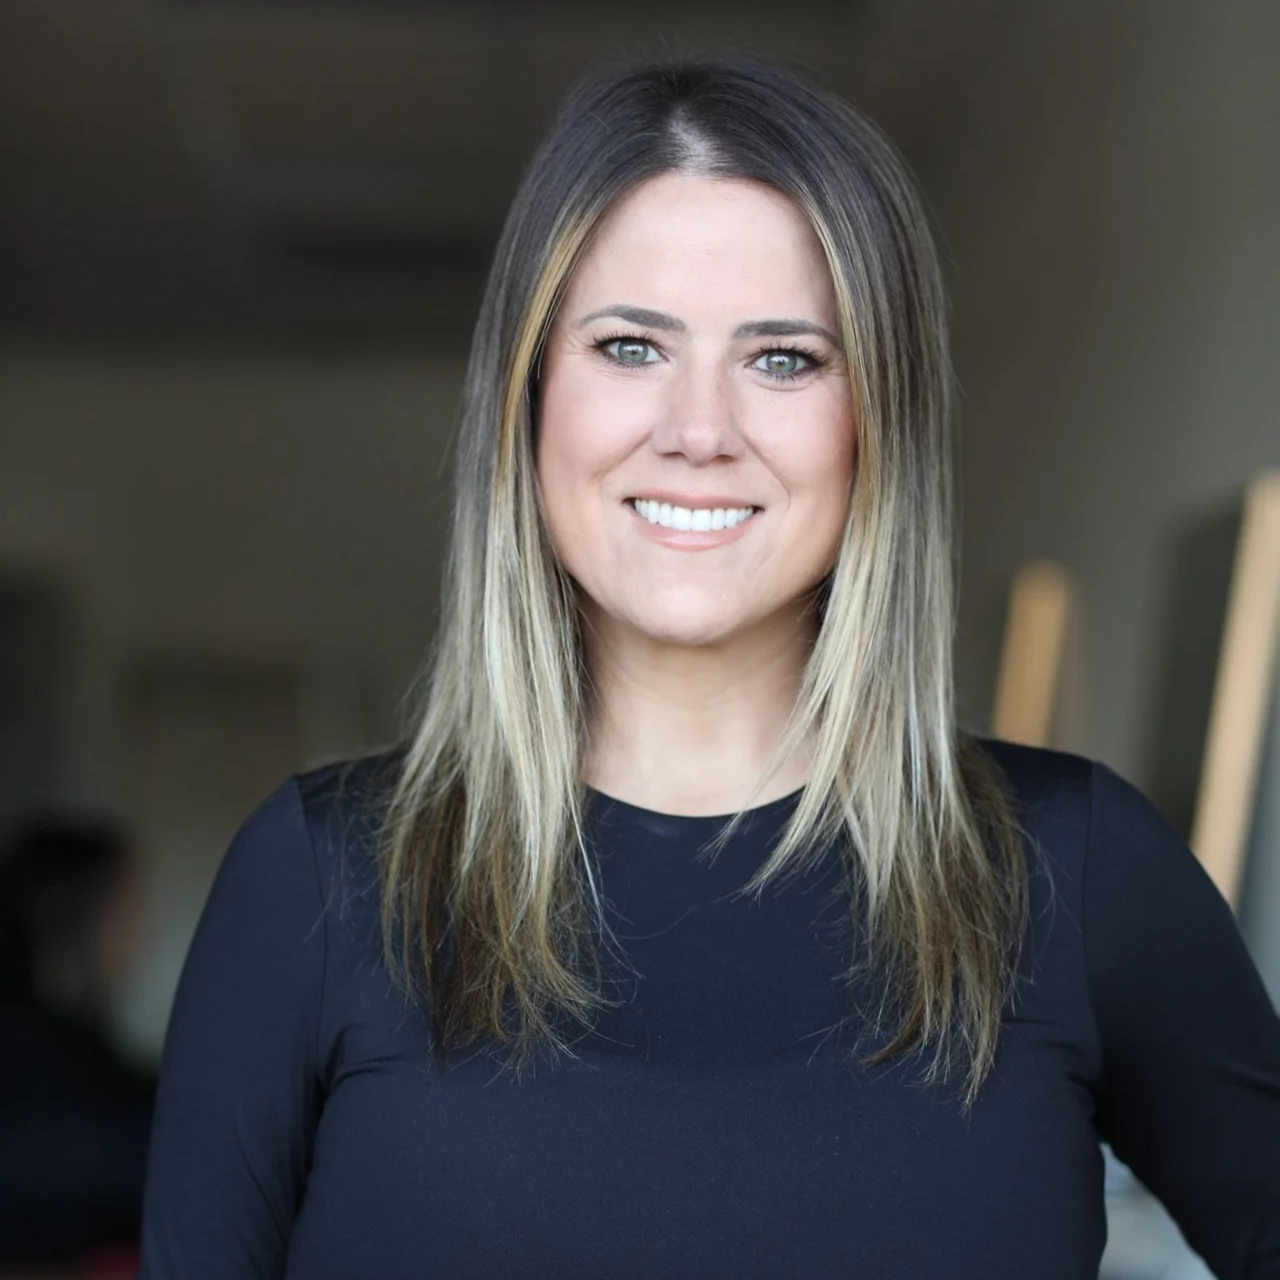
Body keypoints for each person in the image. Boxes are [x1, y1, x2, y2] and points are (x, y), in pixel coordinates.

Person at [138, 54, 1280, 1278]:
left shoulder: (1077, 875)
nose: (696, 428)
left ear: (875, 423)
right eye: (629, 346)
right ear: (528, 402)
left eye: (781, 357)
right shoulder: (313, 884)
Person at [0, 816, 154, 1273]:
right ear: (72, 908)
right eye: (124, 902)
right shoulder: (31, 1056)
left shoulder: (87, 1047)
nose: (143, 922)